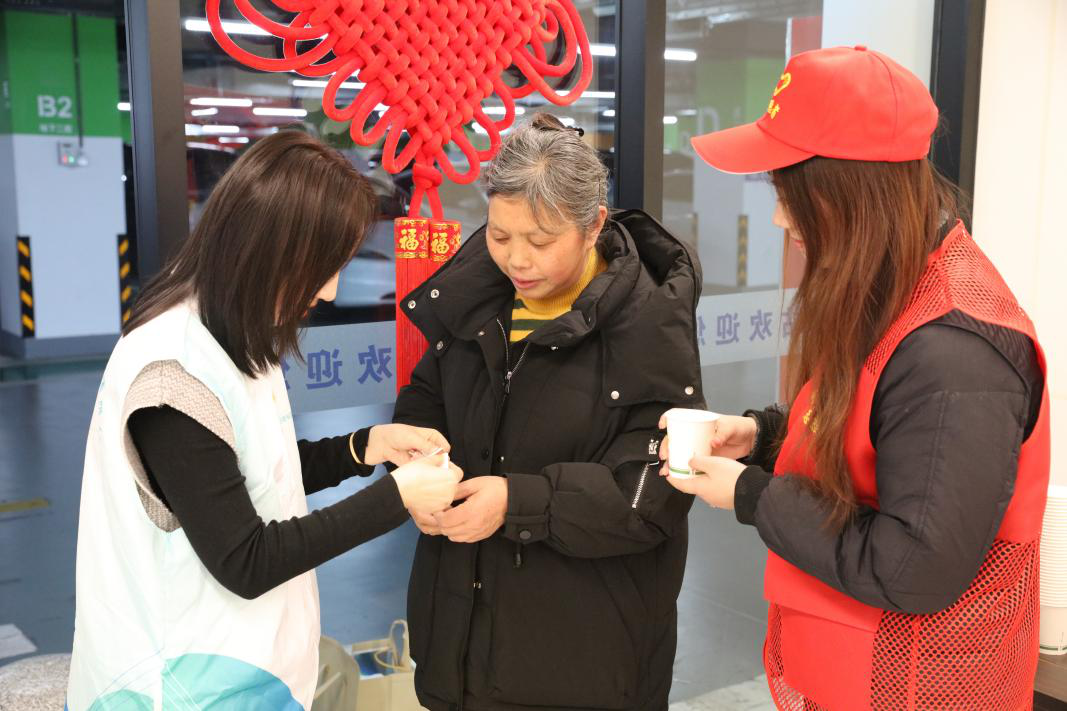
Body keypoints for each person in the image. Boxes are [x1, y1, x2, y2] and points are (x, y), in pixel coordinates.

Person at [663, 46, 1049, 710]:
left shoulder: (954, 353)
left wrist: (753, 495)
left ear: (850, 191)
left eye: (789, 195)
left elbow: (914, 565)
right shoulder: (892, 287)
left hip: (920, 689)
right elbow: (880, 440)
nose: (780, 219)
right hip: (854, 675)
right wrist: (761, 437)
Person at [66, 130, 462, 710]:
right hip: (179, 690)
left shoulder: (233, 331)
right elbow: (245, 559)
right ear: (271, 251)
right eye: (324, 268)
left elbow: (252, 471)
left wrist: (366, 445)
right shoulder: (172, 375)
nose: (330, 292)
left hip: (244, 673)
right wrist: (397, 497)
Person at [391, 113, 704, 710]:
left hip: (581, 663)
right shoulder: (473, 302)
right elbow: (425, 402)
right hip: (459, 642)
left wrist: (518, 501)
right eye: (500, 236)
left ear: (593, 227)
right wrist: (417, 473)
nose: (517, 260)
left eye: (540, 242)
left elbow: (652, 494)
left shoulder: (648, 326)